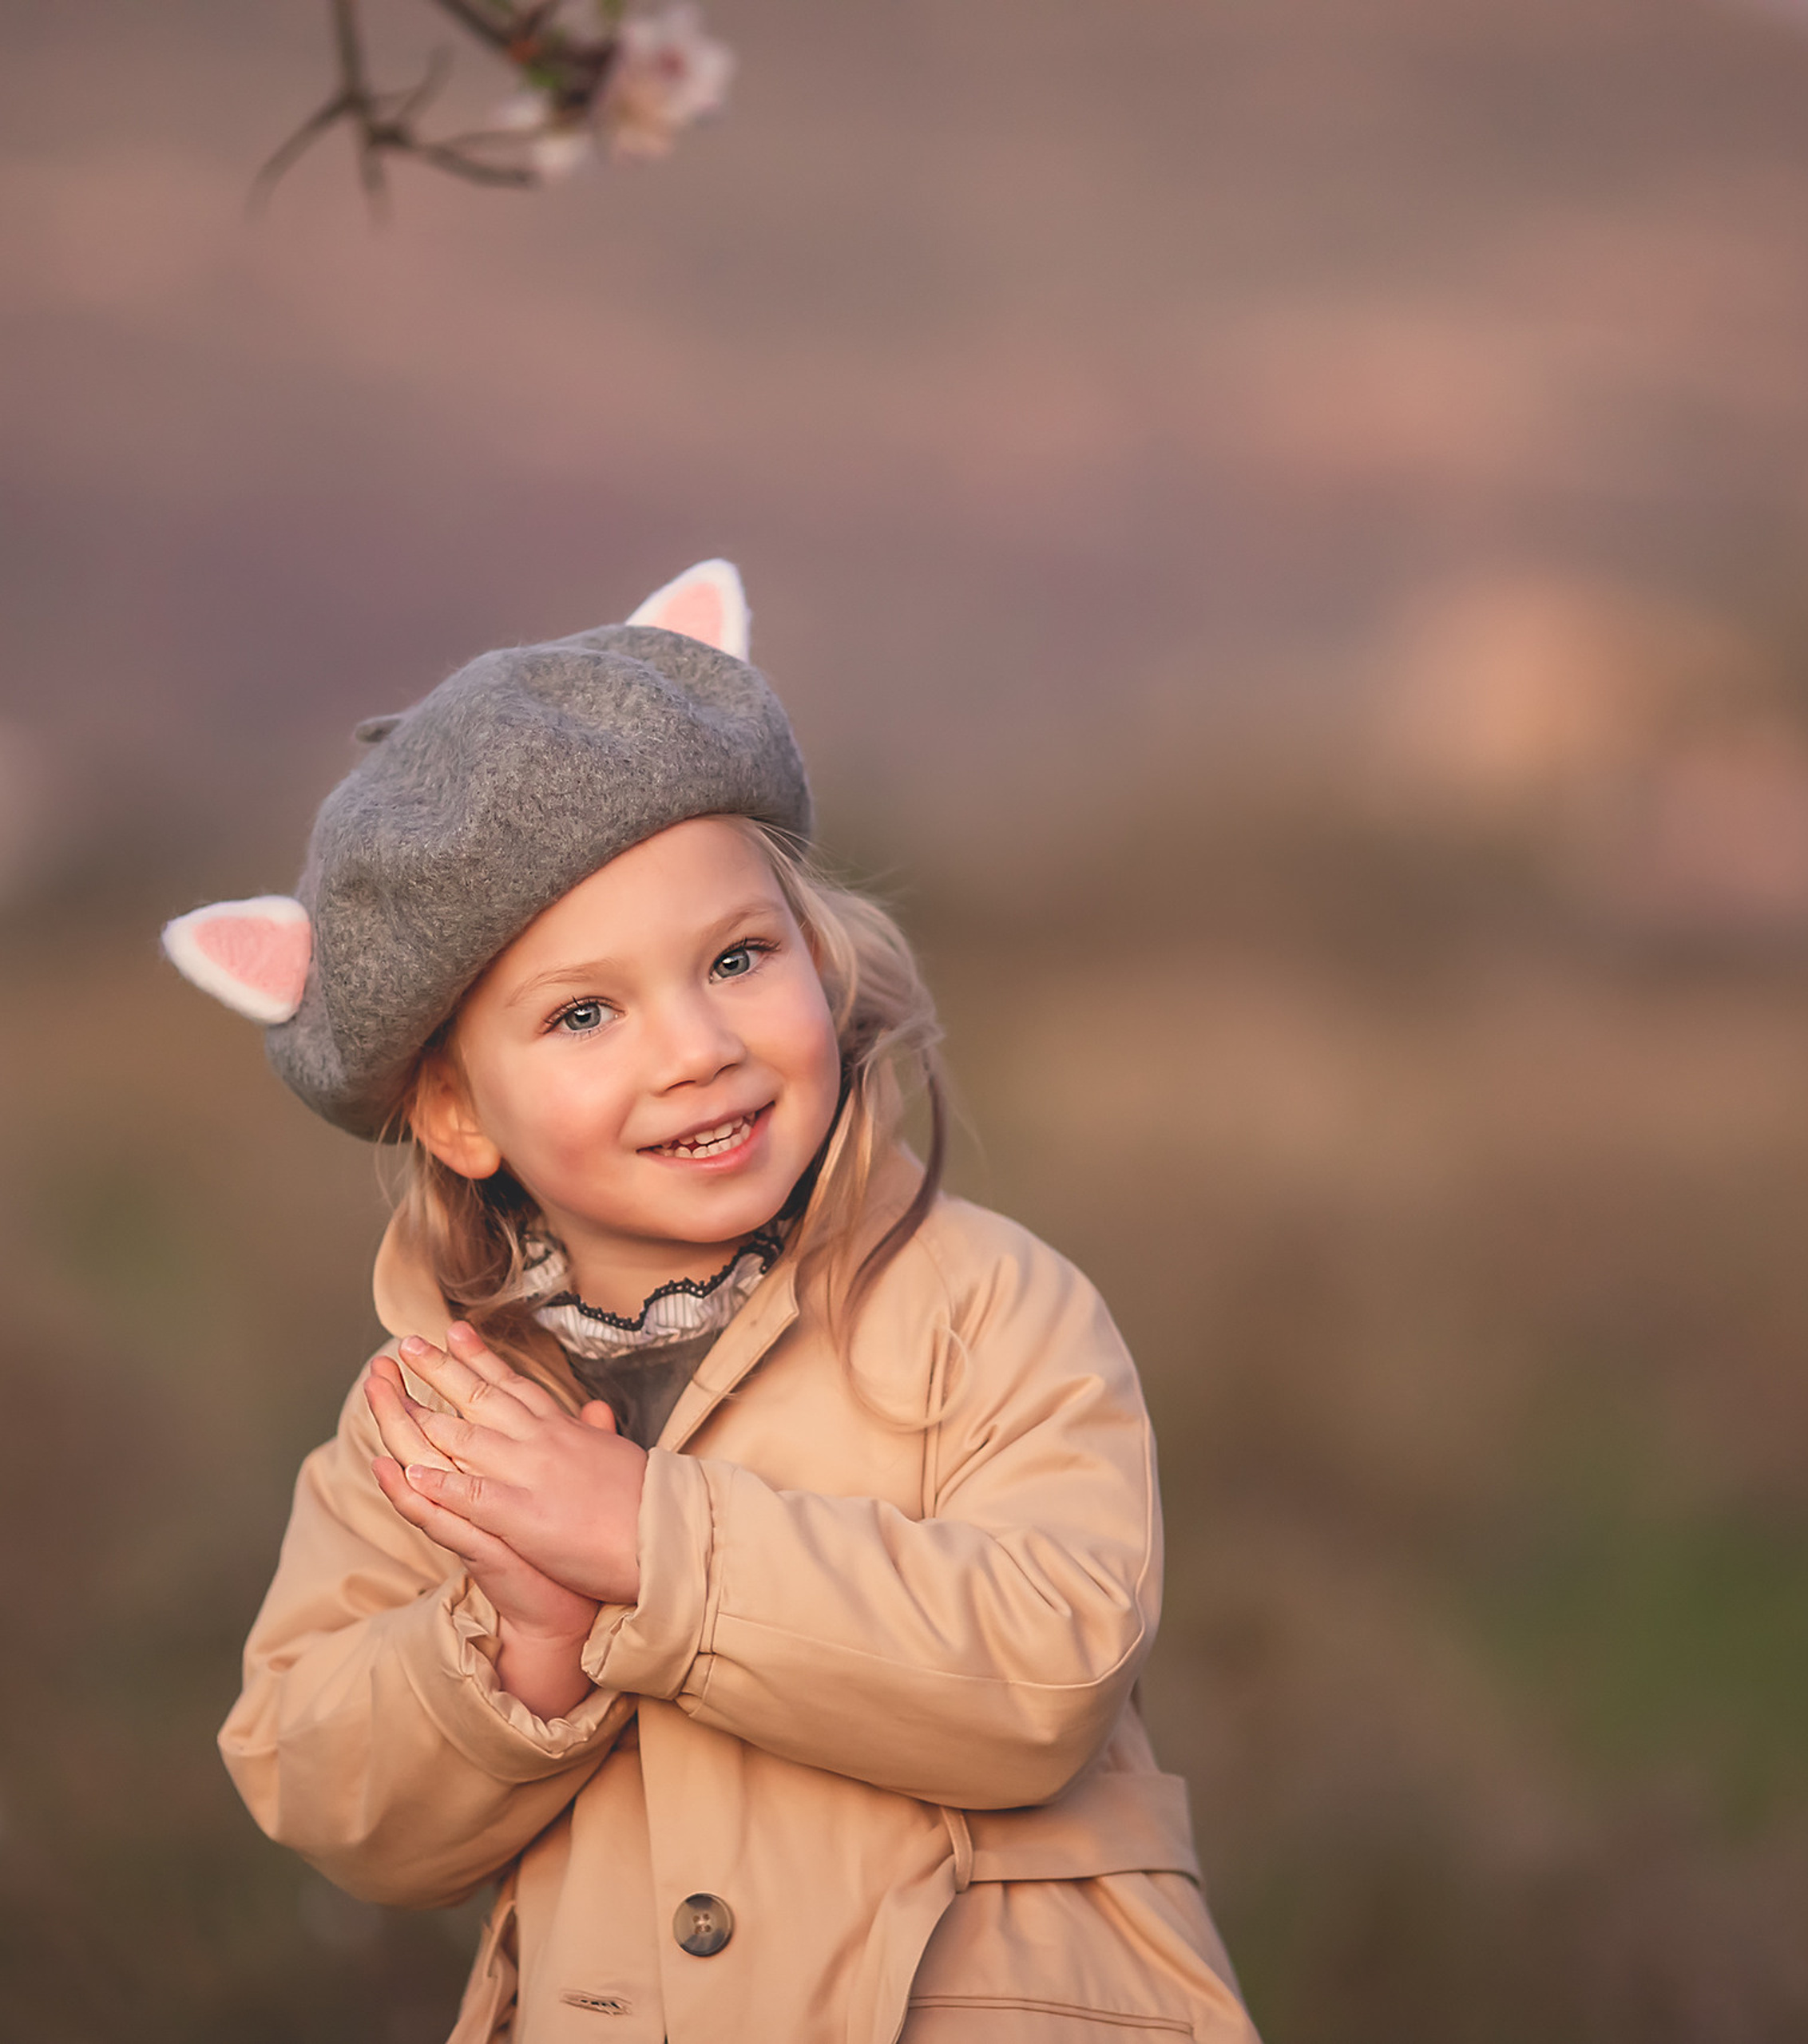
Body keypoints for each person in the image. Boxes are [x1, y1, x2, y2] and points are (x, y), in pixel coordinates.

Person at [163, 561, 1261, 2044]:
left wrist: (642, 1542)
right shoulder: (438, 1425)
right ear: (457, 1113)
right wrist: (516, 1645)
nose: (696, 1047)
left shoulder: (985, 1309)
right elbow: (325, 1788)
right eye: (585, 1014)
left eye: (737, 959)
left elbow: (1046, 1663)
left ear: (818, 959)